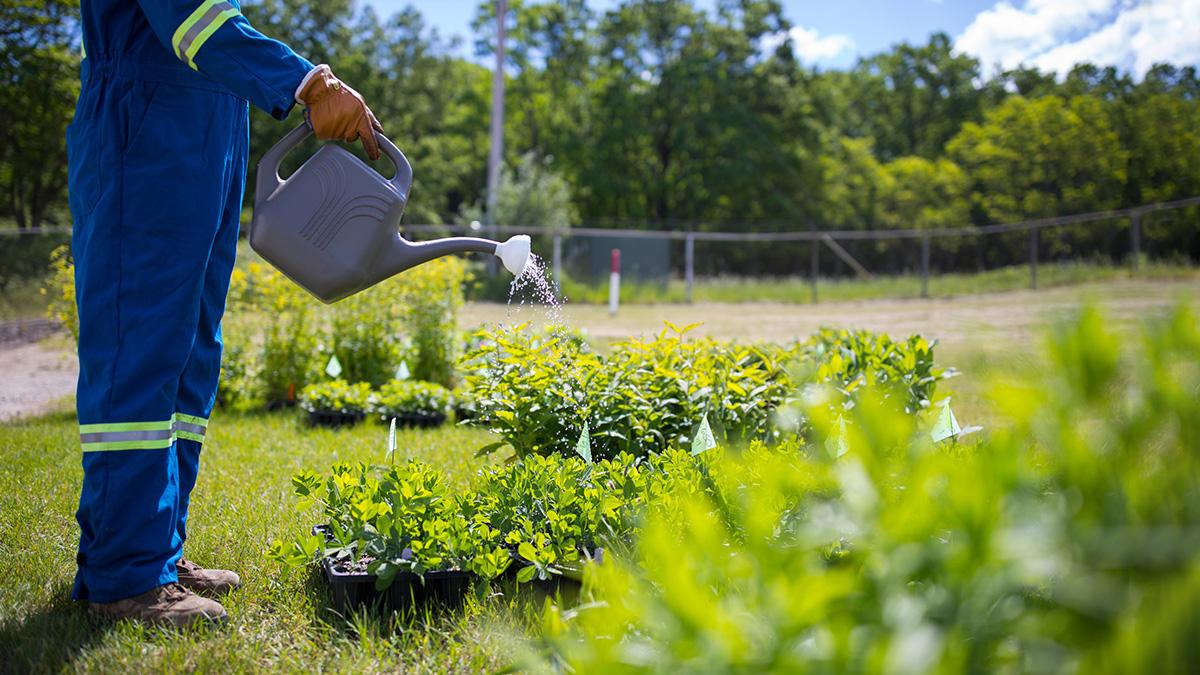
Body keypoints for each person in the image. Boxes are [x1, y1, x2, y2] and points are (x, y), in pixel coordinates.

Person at [68, 0, 382, 627]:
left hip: (207, 131)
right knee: (142, 347)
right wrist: (311, 82)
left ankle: (158, 552)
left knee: (188, 355)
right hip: (147, 127)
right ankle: (124, 573)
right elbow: (193, 20)